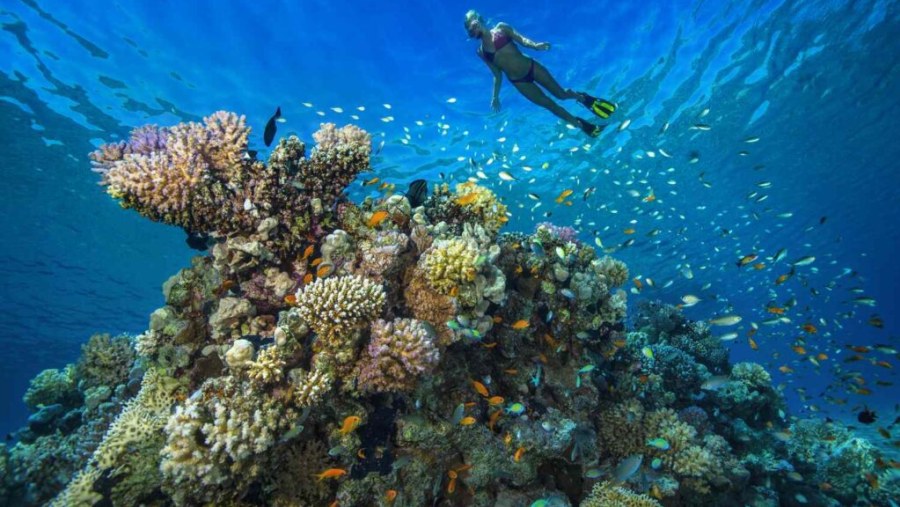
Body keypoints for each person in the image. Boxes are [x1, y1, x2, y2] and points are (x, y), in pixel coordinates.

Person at [464, 10, 616, 137]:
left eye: (473, 22)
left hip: (531, 67)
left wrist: (536, 46)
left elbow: (522, 39)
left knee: (561, 94)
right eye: (470, 28)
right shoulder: (482, 52)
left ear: (479, 19)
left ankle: (582, 98)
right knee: (550, 105)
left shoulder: (501, 28)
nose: (473, 27)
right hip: (519, 82)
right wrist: (495, 96)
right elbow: (497, 74)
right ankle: (580, 124)